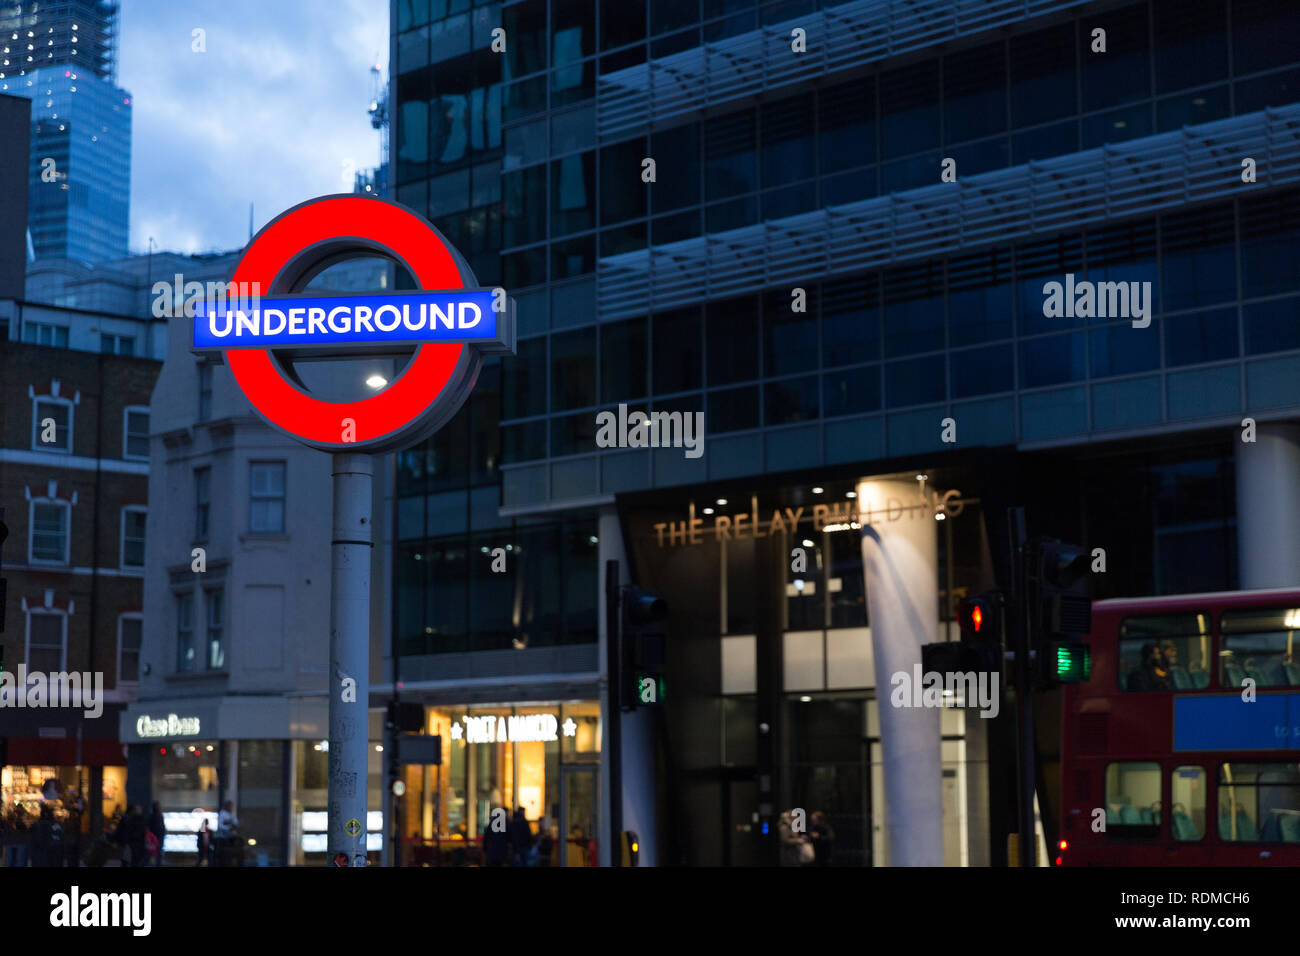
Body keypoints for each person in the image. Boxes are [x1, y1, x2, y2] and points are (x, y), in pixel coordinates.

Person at [216, 801, 238, 866]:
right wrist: (228, 828)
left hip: (232, 837)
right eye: (230, 806)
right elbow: (220, 825)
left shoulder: (232, 814)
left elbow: (236, 823)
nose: (231, 807)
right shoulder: (222, 814)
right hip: (223, 837)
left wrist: (233, 826)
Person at [148, 801, 166, 867]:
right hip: (156, 835)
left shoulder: (158, 815)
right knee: (157, 851)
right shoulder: (155, 816)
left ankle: (157, 863)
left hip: (158, 835)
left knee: (158, 851)